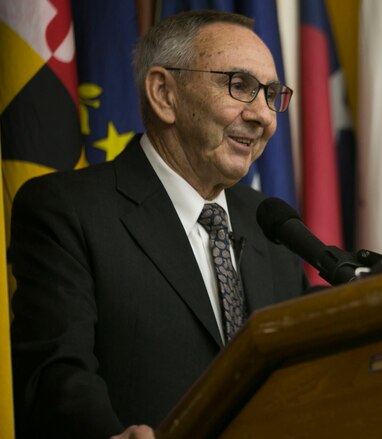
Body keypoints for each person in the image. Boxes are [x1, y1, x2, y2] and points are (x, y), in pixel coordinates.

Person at [9, 10, 308, 438]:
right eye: (240, 87)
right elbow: (56, 373)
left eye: (272, 94)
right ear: (164, 94)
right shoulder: (67, 210)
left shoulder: (272, 224)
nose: (264, 115)